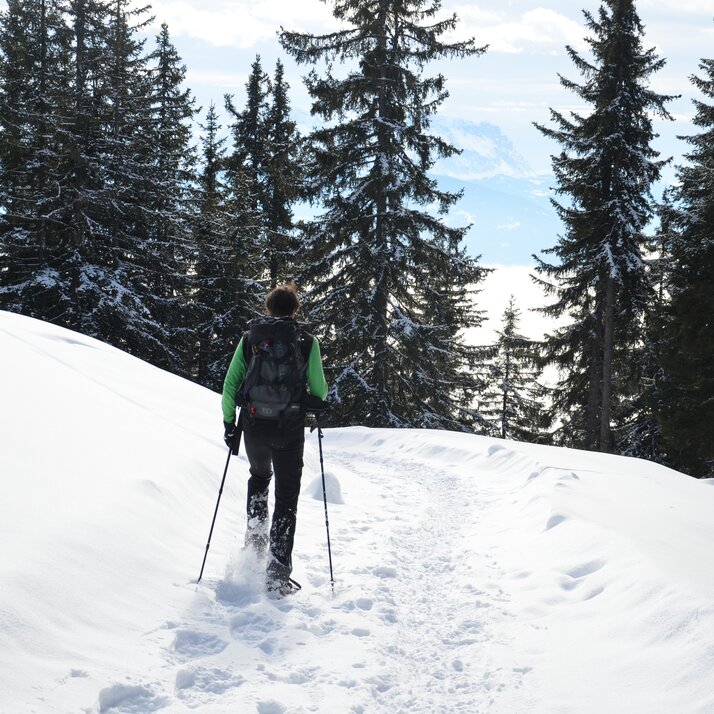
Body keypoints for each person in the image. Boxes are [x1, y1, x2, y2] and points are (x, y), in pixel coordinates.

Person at [221, 283, 328, 596]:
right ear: (296, 309)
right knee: (286, 498)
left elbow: (230, 386)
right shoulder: (307, 342)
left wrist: (230, 426)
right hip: (289, 431)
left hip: (253, 427)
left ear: (268, 308)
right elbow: (320, 391)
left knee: (258, 478)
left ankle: (253, 550)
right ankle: (277, 575)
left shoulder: (249, 338)